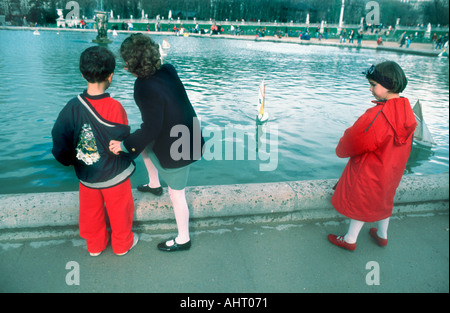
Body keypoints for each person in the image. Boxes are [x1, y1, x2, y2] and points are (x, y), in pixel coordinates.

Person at [109, 34, 204, 252]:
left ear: (130, 65)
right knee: (143, 144)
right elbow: (158, 121)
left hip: (180, 147)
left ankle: (183, 239)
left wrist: (123, 146)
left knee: (176, 194)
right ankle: (154, 184)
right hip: (189, 135)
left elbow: (151, 127)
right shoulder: (168, 69)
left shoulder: (142, 87)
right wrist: (134, 142)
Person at [51, 46, 138, 257]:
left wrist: (68, 160)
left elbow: (59, 137)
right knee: (120, 211)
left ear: (82, 74)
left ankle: (95, 245)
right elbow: (124, 142)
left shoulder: (72, 107)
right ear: (111, 76)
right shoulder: (116, 107)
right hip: (114, 175)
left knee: (91, 212)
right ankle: (122, 244)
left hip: (87, 175)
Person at [328, 61, 417, 251]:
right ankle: (382, 235)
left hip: (371, 169)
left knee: (362, 201)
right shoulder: (407, 111)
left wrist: (340, 149)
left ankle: (350, 239)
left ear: (388, 85)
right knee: (384, 199)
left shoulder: (378, 116)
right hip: (392, 169)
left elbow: (354, 140)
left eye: (373, 85)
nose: (370, 89)